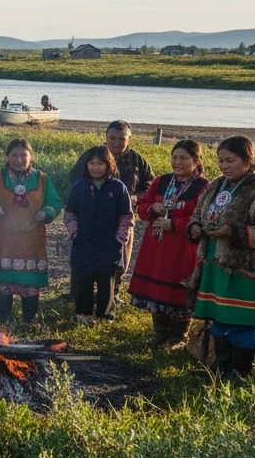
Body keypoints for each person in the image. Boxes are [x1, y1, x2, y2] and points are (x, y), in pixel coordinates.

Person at [186, 136, 255, 376]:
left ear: (248, 160)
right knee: (219, 318)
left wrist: (233, 233)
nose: (224, 166)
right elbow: (197, 213)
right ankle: (221, 366)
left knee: (242, 322)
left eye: (230, 160)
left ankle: (241, 372)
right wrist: (195, 227)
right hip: (216, 266)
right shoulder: (216, 185)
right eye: (221, 160)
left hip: (247, 269)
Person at [129, 140, 209, 347]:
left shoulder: (204, 187)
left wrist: (175, 223)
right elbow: (143, 206)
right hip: (156, 245)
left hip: (183, 247)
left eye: (184, 158)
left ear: (197, 160)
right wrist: (152, 209)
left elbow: (203, 218)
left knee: (179, 288)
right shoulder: (162, 181)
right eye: (174, 157)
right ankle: (160, 333)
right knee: (157, 287)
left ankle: (178, 336)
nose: (177, 162)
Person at [0, 138, 62, 326]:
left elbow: (54, 202)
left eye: (24, 155)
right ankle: (4, 317)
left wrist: (46, 212)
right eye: (14, 155)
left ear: (31, 157)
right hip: (2, 237)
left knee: (30, 282)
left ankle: (29, 319)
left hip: (31, 239)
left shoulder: (42, 179)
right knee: (3, 279)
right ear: (7, 157)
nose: (19, 160)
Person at [68, 120, 155, 298]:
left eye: (121, 139)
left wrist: (136, 197)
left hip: (123, 217)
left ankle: (112, 294)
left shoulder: (137, 159)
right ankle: (78, 293)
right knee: (84, 255)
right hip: (90, 217)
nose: (116, 143)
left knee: (120, 256)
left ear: (129, 139)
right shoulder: (93, 155)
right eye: (112, 138)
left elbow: (149, 184)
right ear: (105, 137)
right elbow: (75, 178)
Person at [65, 146, 134, 323]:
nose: (96, 167)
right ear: (86, 165)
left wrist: (121, 237)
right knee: (84, 278)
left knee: (107, 281)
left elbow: (126, 215)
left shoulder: (118, 188)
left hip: (110, 242)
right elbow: (70, 213)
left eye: (100, 163)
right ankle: (83, 313)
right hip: (84, 241)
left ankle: (105, 315)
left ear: (109, 165)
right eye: (92, 163)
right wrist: (74, 232)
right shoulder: (79, 187)